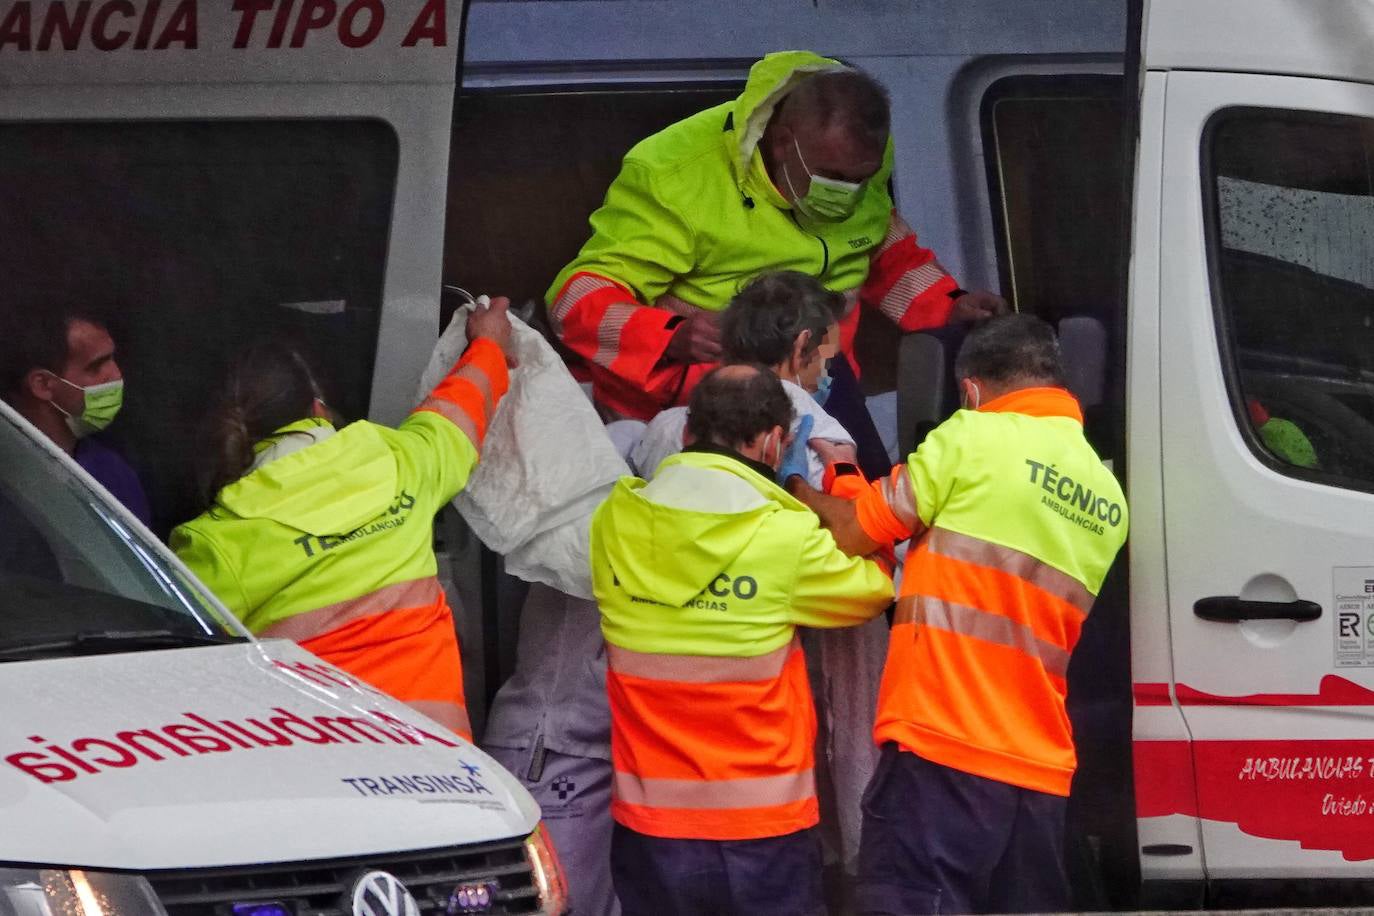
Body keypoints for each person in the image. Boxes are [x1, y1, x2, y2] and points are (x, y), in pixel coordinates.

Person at [788, 315, 1129, 914]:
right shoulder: (1107, 495)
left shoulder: (969, 436)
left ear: (969, 390)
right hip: (1039, 770)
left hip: (943, 750)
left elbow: (851, 532)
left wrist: (806, 483)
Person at [547, 50, 1006, 423]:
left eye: (860, 179)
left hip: (816, 394)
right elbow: (574, 301)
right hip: (686, 410)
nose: (846, 193)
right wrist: (670, 337)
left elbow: (885, 251)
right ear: (785, 142)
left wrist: (950, 307)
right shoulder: (674, 176)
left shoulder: (860, 162)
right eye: (831, 176)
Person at [590, 364, 894, 916]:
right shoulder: (784, 536)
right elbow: (876, 588)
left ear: (687, 435)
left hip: (650, 829)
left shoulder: (617, 520)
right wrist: (839, 483)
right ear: (776, 443)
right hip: (764, 833)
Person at [171, 297, 515, 739]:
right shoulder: (398, 464)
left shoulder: (213, 545)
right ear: (317, 407)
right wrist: (487, 342)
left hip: (329, 782)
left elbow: (171, 674)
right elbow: (460, 406)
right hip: (444, 775)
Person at [630, 270, 856, 482]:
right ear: (801, 346)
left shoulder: (662, 428)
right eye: (826, 359)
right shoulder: (822, 447)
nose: (826, 374)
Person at [0, 304, 152, 527]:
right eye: (96, 366)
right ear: (42, 384)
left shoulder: (112, 471)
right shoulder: (11, 480)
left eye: (112, 359)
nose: (116, 375)